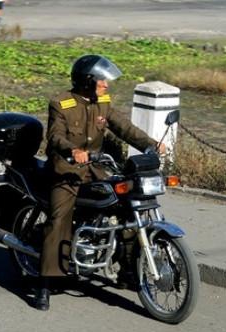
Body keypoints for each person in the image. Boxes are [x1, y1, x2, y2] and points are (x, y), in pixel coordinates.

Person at [35, 55, 165, 311]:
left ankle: (127, 272)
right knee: (59, 218)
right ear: (87, 81)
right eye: (102, 80)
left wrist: (150, 144)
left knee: (128, 204)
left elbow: (124, 127)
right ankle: (45, 284)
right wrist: (73, 151)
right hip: (67, 170)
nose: (106, 85)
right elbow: (55, 137)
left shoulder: (103, 102)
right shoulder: (61, 103)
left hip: (96, 168)